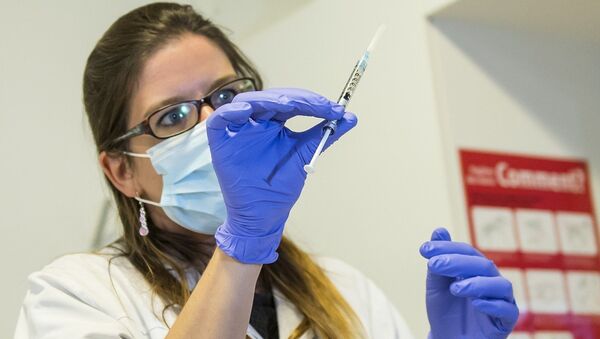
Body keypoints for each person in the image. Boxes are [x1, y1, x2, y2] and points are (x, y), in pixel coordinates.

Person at [15, 3, 518, 339]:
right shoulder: (76, 297)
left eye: (227, 95)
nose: (213, 125)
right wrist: (243, 242)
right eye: (172, 116)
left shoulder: (347, 291)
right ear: (122, 171)